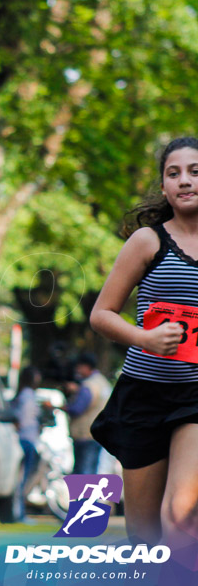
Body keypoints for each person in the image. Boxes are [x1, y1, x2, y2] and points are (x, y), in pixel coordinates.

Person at [90, 136, 198, 548]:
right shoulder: (148, 242)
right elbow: (101, 314)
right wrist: (146, 337)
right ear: (164, 186)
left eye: (194, 171)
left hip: (195, 393)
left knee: (179, 514)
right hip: (144, 392)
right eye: (174, 174)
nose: (185, 181)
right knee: (143, 536)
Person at [64, 353, 111, 475]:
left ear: (86, 367)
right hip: (99, 434)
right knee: (91, 471)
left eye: (79, 367)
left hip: (85, 434)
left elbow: (77, 409)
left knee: (82, 472)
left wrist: (62, 407)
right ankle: (89, 495)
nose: (77, 370)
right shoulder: (103, 382)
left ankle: (83, 495)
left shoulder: (88, 386)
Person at [13, 366, 42, 521]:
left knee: (23, 478)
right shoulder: (27, 396)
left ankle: (20, 512)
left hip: (27, 439)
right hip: (26, 440)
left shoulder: (24, 394)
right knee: (23, 479)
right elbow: (22, 419)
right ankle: (20, 513)